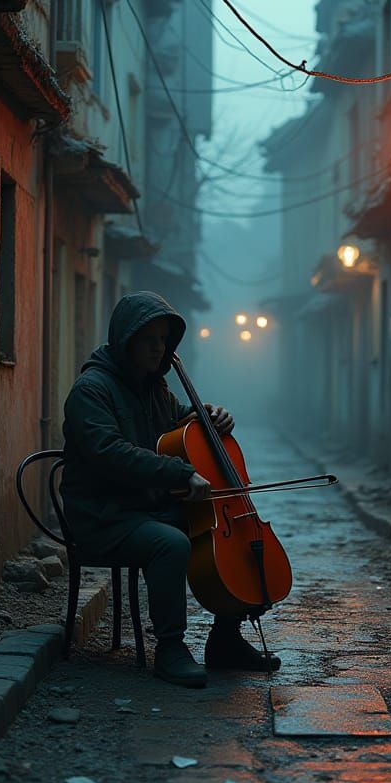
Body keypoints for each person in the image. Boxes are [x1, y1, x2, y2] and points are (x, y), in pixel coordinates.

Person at [60, 291, 281, 688]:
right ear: (126, 339)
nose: (158, 348)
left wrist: (212, 416)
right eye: (149, 339)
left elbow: (185, 423)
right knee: (171, 543)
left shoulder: (155, 388)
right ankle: (170, 649)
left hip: (145, 509)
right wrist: (180, 474)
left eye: (163, 340)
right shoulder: (91, 390)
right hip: (104, 515)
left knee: (231, 538)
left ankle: (226, 641)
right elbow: (111, 453)